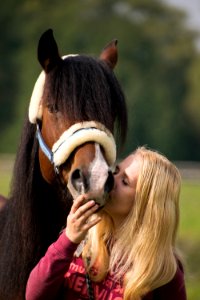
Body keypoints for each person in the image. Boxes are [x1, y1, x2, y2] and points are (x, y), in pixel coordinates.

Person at [26, 146, 187, 300]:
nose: (109, 179)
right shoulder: (82, 236)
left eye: (124, 181)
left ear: (145, 207)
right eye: (116, 171)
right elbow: (34, 295)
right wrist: (68, 240)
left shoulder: (162, 270)